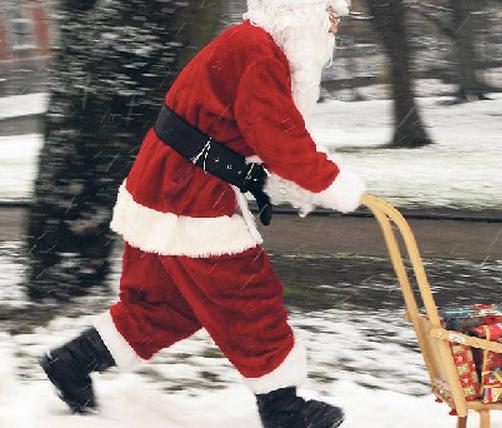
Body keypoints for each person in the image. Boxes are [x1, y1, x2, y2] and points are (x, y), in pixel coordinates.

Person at [39, 1, 361, 427]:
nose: (334, 27)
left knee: (163, 305)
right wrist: (334, 184)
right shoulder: (258, 53)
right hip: (188, 195)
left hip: (162, 183)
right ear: (298, 11)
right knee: (249, 298)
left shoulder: (252, 46)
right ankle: (284, 412)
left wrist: (292, 175)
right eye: (330, 14)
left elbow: (256, 130)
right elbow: (278, 136)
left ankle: (72, 363)